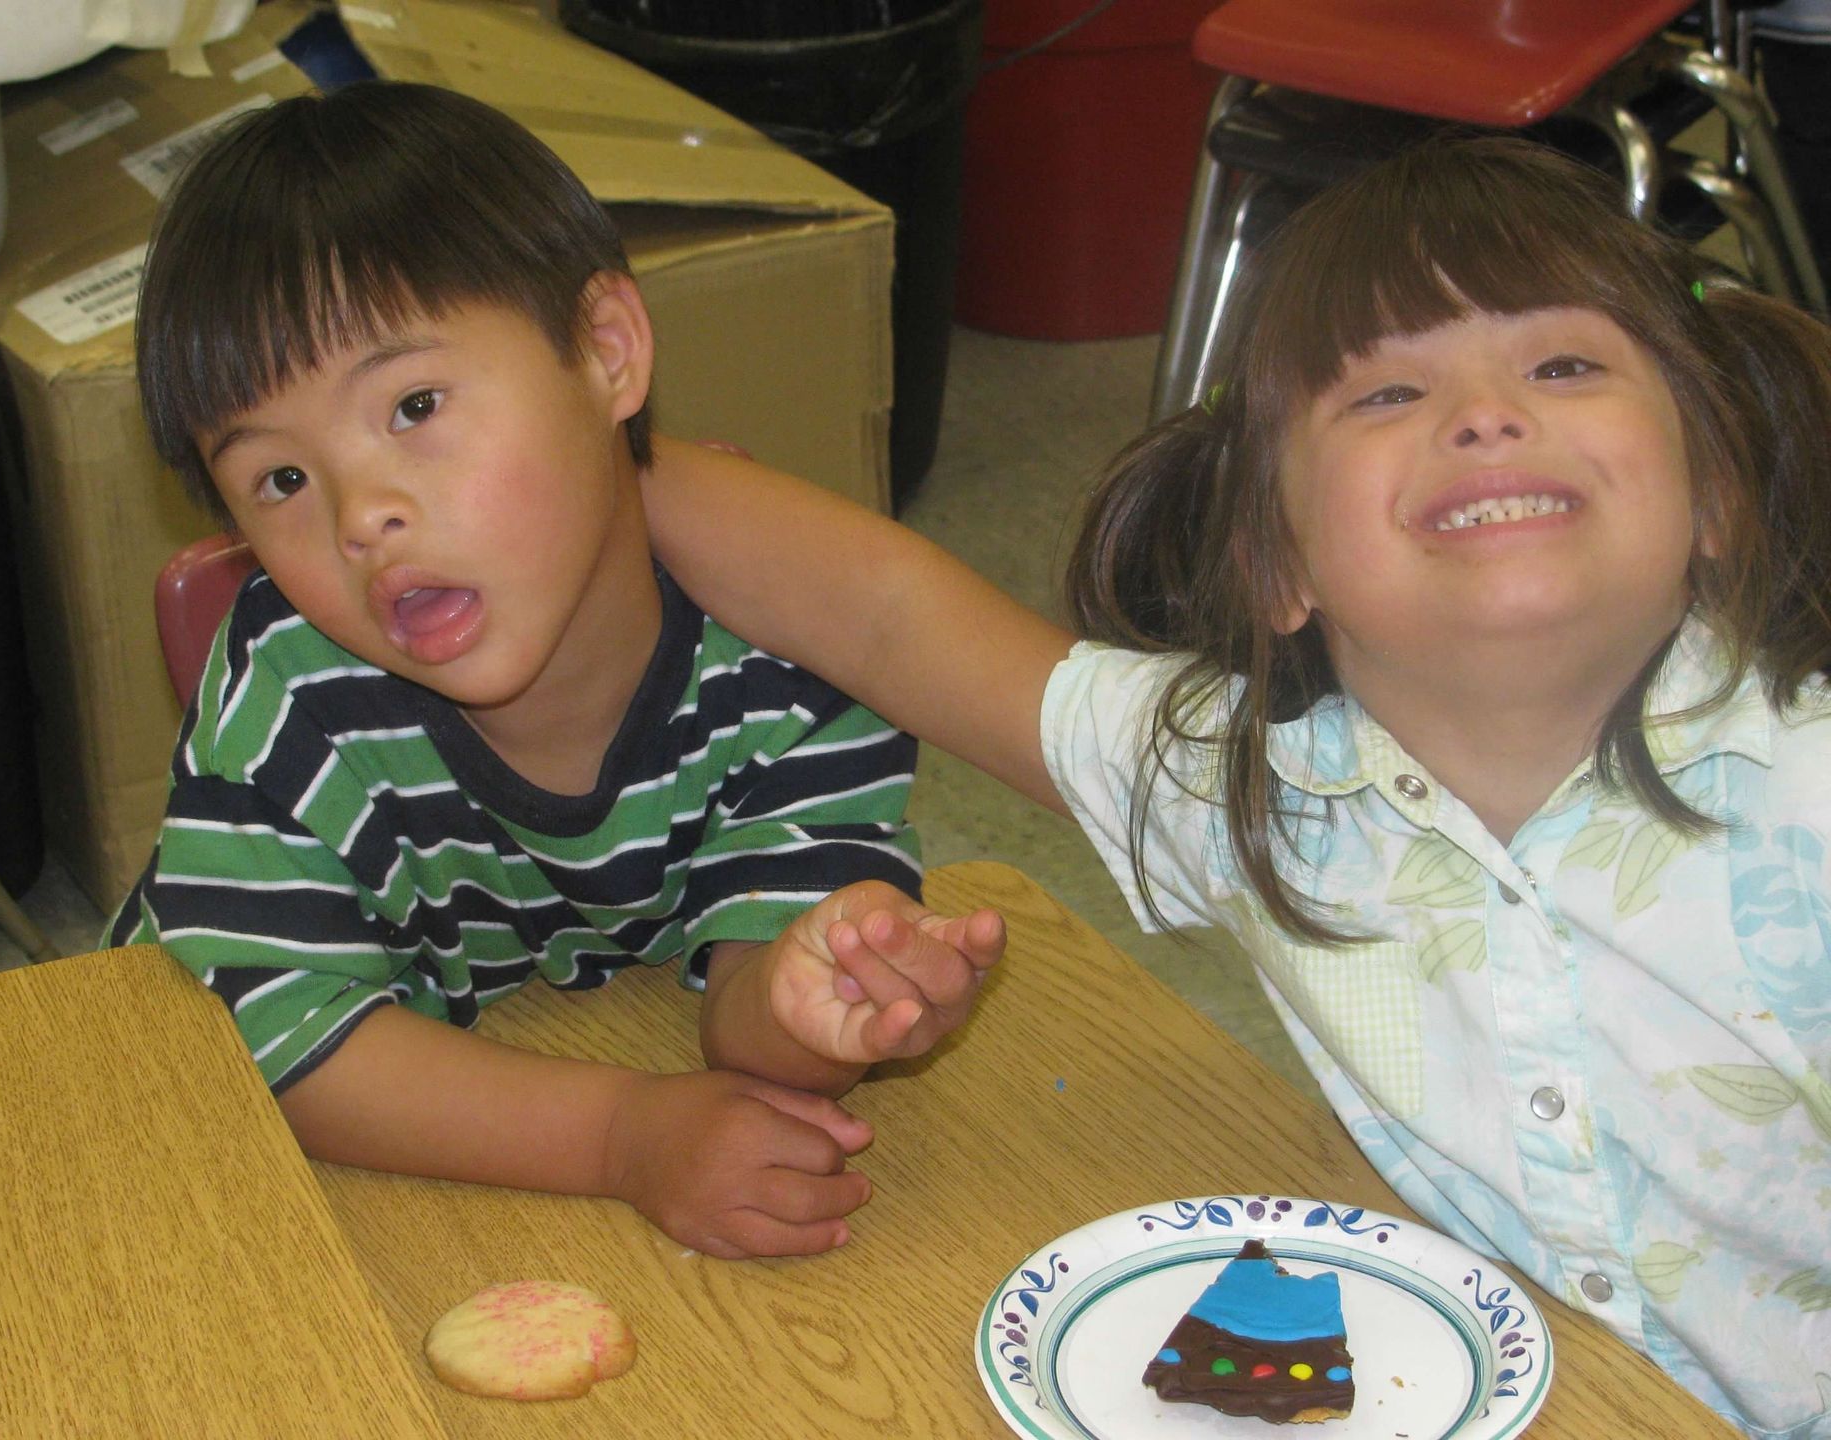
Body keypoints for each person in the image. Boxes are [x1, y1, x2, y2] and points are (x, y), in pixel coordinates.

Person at [643, 137, 1831, 1434]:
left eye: (1563, 364)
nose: (1486, 411)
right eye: (1386, 395)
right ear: (1279, 568)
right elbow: (885, 623)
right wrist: (593, 457)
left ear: (1717, 496)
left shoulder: (1807, 799)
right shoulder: (1256, 778)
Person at [108, 80, 1005, 1262]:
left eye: (413, 404)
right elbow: (273, 1046)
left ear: (606, 351)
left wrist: (824, 1004)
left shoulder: (787, 650)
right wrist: (620, 1137)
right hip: (216, 1159)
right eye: (279, 480)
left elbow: (756, 996)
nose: (361, 514)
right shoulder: (286, 692)